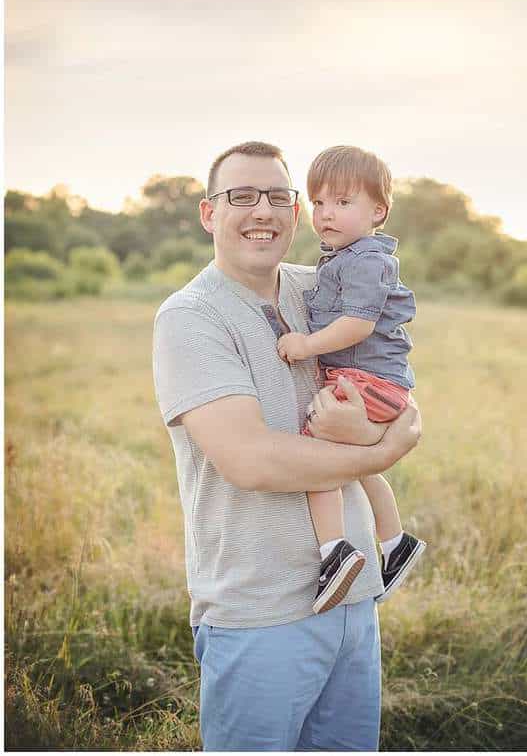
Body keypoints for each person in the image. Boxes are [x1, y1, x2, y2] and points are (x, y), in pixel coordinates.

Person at [152, 141, 423, 752]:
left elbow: (406, 401)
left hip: (355, 603)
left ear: (296, 213)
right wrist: (377, 453)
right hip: (260, 613)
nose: (262, 211)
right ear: (207, 213)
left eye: (278, 197)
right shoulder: (191, 317)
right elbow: (251, 461)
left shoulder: (323, 284)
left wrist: (383, 429)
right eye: (241, 197)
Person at [273, 145, 425, 613]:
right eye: (318, 203)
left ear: (378, 211)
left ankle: (334, 552)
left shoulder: (365, 260)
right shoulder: (343, 258)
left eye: (342, 202)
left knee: (318, 456)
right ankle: (395, 541)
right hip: (370, 379)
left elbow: (357, 325)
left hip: (367, 380)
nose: (325, 214)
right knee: (353, 461)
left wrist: (304, 345)